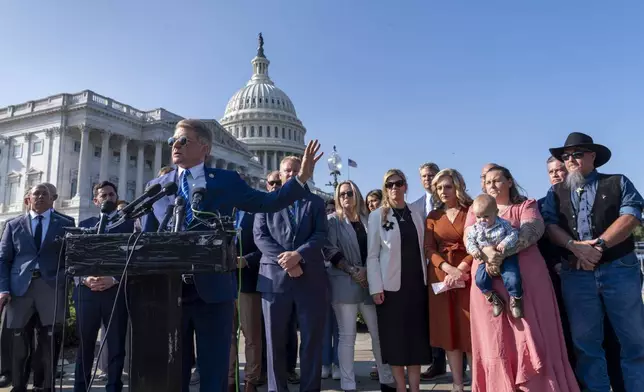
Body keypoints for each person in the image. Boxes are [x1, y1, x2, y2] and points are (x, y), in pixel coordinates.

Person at [142, 119, 322, 392]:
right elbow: (147, 239)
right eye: (172, 142)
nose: (175, 146)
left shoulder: (226, 181)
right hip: (169, 292)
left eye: (183, 141)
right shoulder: (158, 186)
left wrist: (301, 179)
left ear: (204, 148)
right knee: (172, 371)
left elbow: (268, 202)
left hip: (213, 290)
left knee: (215, 373)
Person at [541, 132, 644, 391]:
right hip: (577, 276)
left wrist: (598, 246)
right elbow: (550, 225)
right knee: (585, 345)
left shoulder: (618, 182)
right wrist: (574, 247)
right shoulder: (555, 192)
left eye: (577, 154)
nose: (571, 159)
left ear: (592, 156)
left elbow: (631, 215)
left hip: (619, 269)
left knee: (634, 341)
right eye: (566, 156)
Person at [465, 165, 578, 392]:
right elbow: (468, 237)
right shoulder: (474, 210)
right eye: (488, 182)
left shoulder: (526, 205)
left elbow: (532, 231)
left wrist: (500, 253)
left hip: (527, 286)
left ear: (509, 181)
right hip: (489, 288)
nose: (492, 186)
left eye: (497, 180)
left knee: (532, 334)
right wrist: (488, 255)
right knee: (496, 341)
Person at [254, 155, 329, 392]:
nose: (291, 174)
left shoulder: (315, 202)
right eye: (287, 171)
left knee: (311, 341)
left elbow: (321, 235)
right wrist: (287, 260)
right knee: (274, 341)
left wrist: (299, 255)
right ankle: (277, 389)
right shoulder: (265, 201)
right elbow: (261, 236)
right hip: (274, 281)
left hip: (310, 280)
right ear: (280, 172)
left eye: (297, 171)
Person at [0, 183, 74, 392]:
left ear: (53, 199)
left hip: (51, 287)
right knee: (19, 341)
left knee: (48, 341)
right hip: (20, 289)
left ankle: (45, 386)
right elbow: (3, 259)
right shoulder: (13, 224)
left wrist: (62, 278)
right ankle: (19, 385)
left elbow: (71, 256)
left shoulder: (66, 223)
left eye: (45, 194)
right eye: (36, 194)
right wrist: (3, 289)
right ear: (28, 199)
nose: (40, 197)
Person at [324, 180, 396, 392]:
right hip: (344, 282)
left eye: (349, 193)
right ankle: (348, 382)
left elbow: (380, 248)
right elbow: (329, 249)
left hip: (370, 282)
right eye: (342, 194)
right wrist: (353, 270)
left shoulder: (369, 219)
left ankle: (386, 378)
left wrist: (366, 271)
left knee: (378, 333)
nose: (346, 197)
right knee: (347, 337)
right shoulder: (332, 221)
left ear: (357, 194)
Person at [367, 169, 431, 392]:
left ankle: (415, 388)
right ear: (385, 188)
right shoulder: (377, 216)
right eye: (389, 184)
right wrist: (375, 287)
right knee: (395, 342)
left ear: (405, 186)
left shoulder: (416, 212)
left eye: (399, 183)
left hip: (416, 284)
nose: (394, 188)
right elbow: (372, 256)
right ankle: (400, 388)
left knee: (415, 340)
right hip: (390, 287)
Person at [74, 181, 134, 392]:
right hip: (86, 292)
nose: (108, 198)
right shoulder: (84, 224)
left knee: (116, 345)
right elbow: (73, 259)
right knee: (85, 345)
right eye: (104, 195)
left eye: (111, 195)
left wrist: (115, 278)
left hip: (115, 292)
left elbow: (133, 258)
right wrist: (84, 279)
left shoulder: (129, 226)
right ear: (96, 200)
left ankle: (114, 387)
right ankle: (80, 388)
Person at [424, 169, 473, 392]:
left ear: (458, 186)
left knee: (470, 328)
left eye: (448, 186)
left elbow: (480, 241)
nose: (443, 191)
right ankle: (457, 384)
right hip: (441, 276)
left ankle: (478, 382)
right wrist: (446, 268)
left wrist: (461, 268)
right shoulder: (433, 216)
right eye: (439, 187)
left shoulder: (470, 210)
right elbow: (428, 248)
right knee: (449, 329)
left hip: (468, 273)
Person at [466, 194, 522, 318]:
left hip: (505, 255)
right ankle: (494, 298)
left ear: (496, 212)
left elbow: (514, 234)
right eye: (478, 217)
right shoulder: (475, 228)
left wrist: (505, 243)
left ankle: (516, 298)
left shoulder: (503, 224)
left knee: (512, 277)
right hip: (485, 258)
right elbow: (469, 242)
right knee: (480, 280)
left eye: (486, 216)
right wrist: (474, 250)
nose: (482, 220)